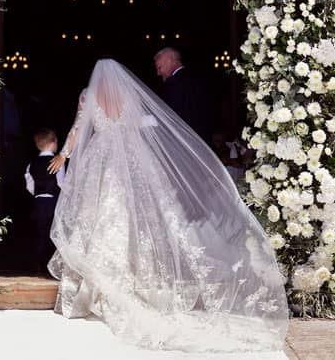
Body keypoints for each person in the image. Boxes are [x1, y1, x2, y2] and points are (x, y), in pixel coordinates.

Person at [47, 59, 288, 354]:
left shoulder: (88, 95)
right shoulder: (125, 94)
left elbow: (77, 129)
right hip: (127, 157)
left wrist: (64, 155)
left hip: (103, 157)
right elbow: (138, 123)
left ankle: (103, 278)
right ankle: (132, 274)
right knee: (129, 213)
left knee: (105, 212)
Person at [24, 128, 65, 274]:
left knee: (39, 233)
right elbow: (61, 183)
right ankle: (50, 266)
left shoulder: (32, 164)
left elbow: (30, 185)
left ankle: (38, 264)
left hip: (39, 203)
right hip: (53, 202)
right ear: (53, 143)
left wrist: (38, 193)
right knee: (54, 233)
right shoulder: (57, 162)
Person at [154, 47, 214, 144]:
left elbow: (169, 115)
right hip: (204, 138)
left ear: (170, 62)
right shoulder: (197, 76)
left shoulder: (172, 83)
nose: (158, 73)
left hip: (185, 141)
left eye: (159, 67)